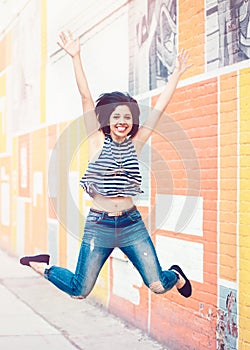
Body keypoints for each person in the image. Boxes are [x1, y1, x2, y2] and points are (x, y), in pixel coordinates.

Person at [20, 30, 192, 299]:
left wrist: (176, 76)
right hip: (99, 225)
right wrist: (76, 57)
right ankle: (41, 265)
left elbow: (159, 111)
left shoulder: (136, 143)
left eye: (126, 117)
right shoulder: (97, 141)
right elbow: (86, 98)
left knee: (158, 285)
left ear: (132, 121)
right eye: (115, 116)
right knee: (79, 291)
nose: (121, 121)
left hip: (131, 224)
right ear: (107, 119)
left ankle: (176, 275)